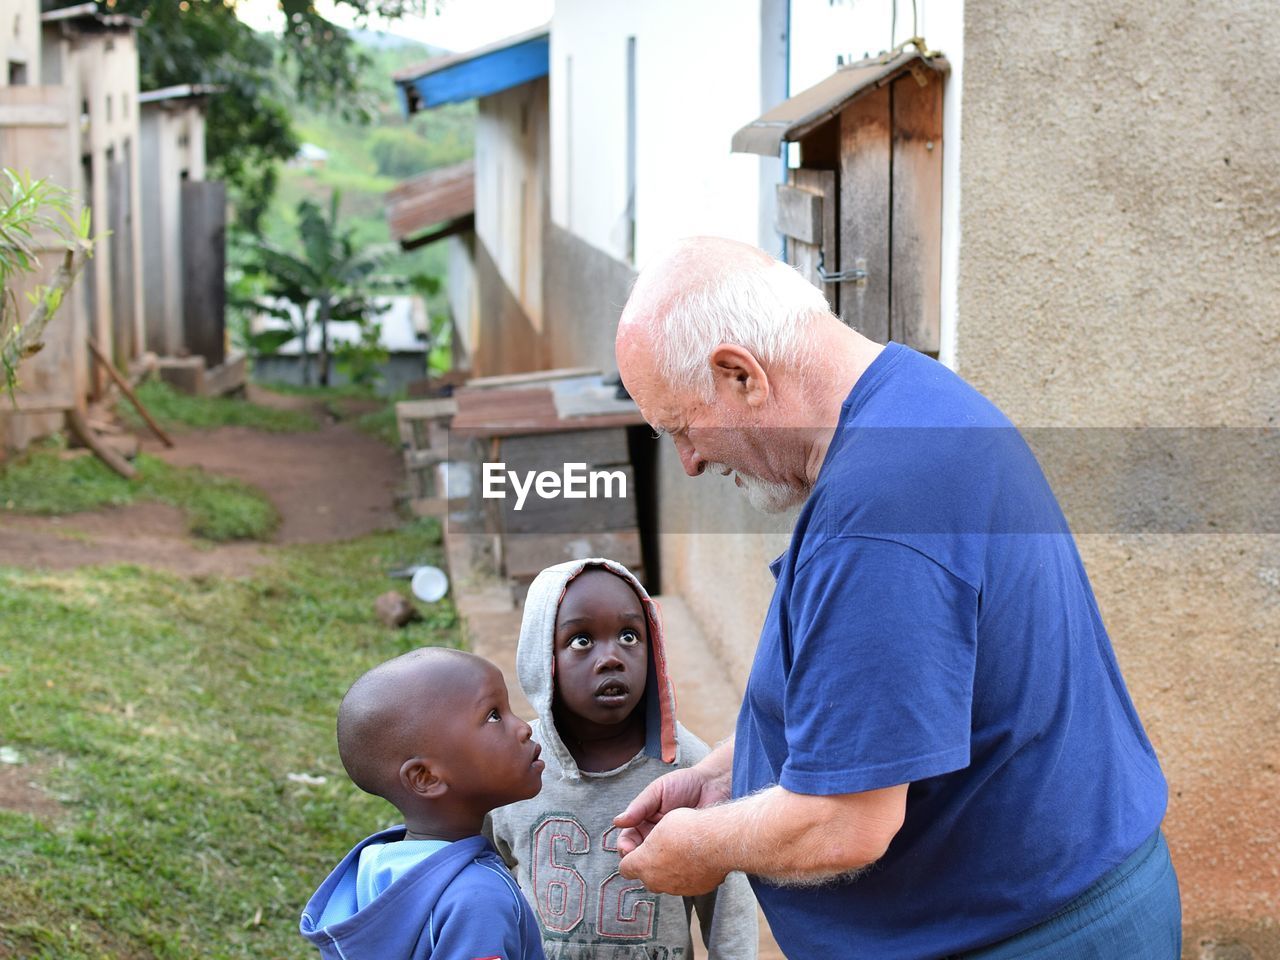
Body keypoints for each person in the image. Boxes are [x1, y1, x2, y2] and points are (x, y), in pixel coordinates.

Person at [610, 236, 1181, 959]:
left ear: (740, 375)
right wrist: (727, 776)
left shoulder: (878, 513)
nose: (688, 463)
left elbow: (846, 823)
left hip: (1026, 936)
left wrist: (706, 847)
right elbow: (883, 711)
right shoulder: (908, 395)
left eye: (681, 428)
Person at [485, 557, 758, 960]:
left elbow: (729, 906)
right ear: (542, 658)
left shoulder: (690, 767)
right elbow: (483, 874)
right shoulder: (517, 763)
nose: (611, 657)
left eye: (630, 636)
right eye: (581, 641)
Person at [300, 648, 547, 960]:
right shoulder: (479, 899)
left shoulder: (377, 868)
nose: (524, 728)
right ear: (426, 778)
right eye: (494, 715)